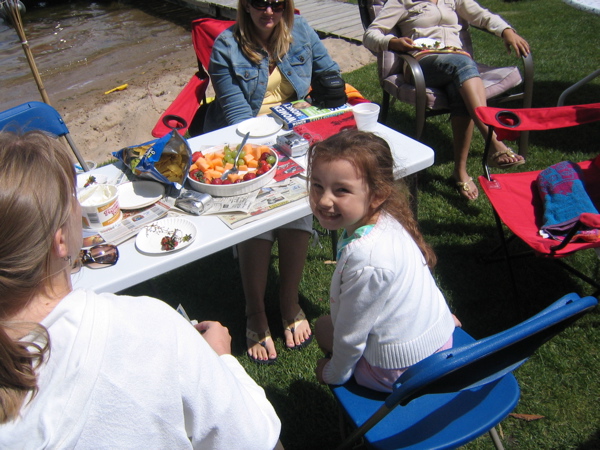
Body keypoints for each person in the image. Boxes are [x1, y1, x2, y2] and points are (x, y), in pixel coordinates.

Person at [0, 130, 282, 448]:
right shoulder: (147, 325)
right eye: (74, 198)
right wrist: (222, 360)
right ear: (61, 240)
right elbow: (252, 437)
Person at [204, 0, 343, 364]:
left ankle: (288, 299)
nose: (269, 11)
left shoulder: (301, 30)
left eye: (278, 3)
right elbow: (237, 118)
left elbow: (329, 74)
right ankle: (255, 310)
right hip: (248, 139)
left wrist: (332, 113)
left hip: (296, 131)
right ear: (244, 6)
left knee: (300, 201)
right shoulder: (226, 46)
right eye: (260, 3)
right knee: (257, 206)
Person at [308, 130, 458, 392]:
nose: (323, 200)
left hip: (400, 371)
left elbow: (350, 337)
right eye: (317, 185)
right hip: (439, 338)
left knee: (322, 327)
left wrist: (333, 373)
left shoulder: (367, 259)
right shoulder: (389, 218)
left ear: (377, 195)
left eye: (341, 190)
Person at [363, 0, 530, 201]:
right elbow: (371, 34)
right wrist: (392, 42)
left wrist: (506, 30)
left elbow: (482, 15)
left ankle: (459, 171)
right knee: (462, 64)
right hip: (422, 62)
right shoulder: (403, 1)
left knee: (460, 88)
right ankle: (493, 140)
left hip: (456, 62)